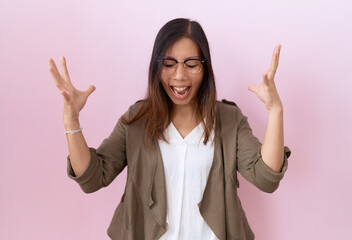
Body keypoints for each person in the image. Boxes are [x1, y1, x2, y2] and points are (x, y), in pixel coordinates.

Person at [49, 18, 291, 240]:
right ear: (157, 66)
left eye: (191, 64)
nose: (179, 75)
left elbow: (266, 178)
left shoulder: (229, 119)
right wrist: (72, 122)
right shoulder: (136, 119)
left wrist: (275, 111)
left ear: (204, 67)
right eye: (169, 63)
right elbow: (92, 178)